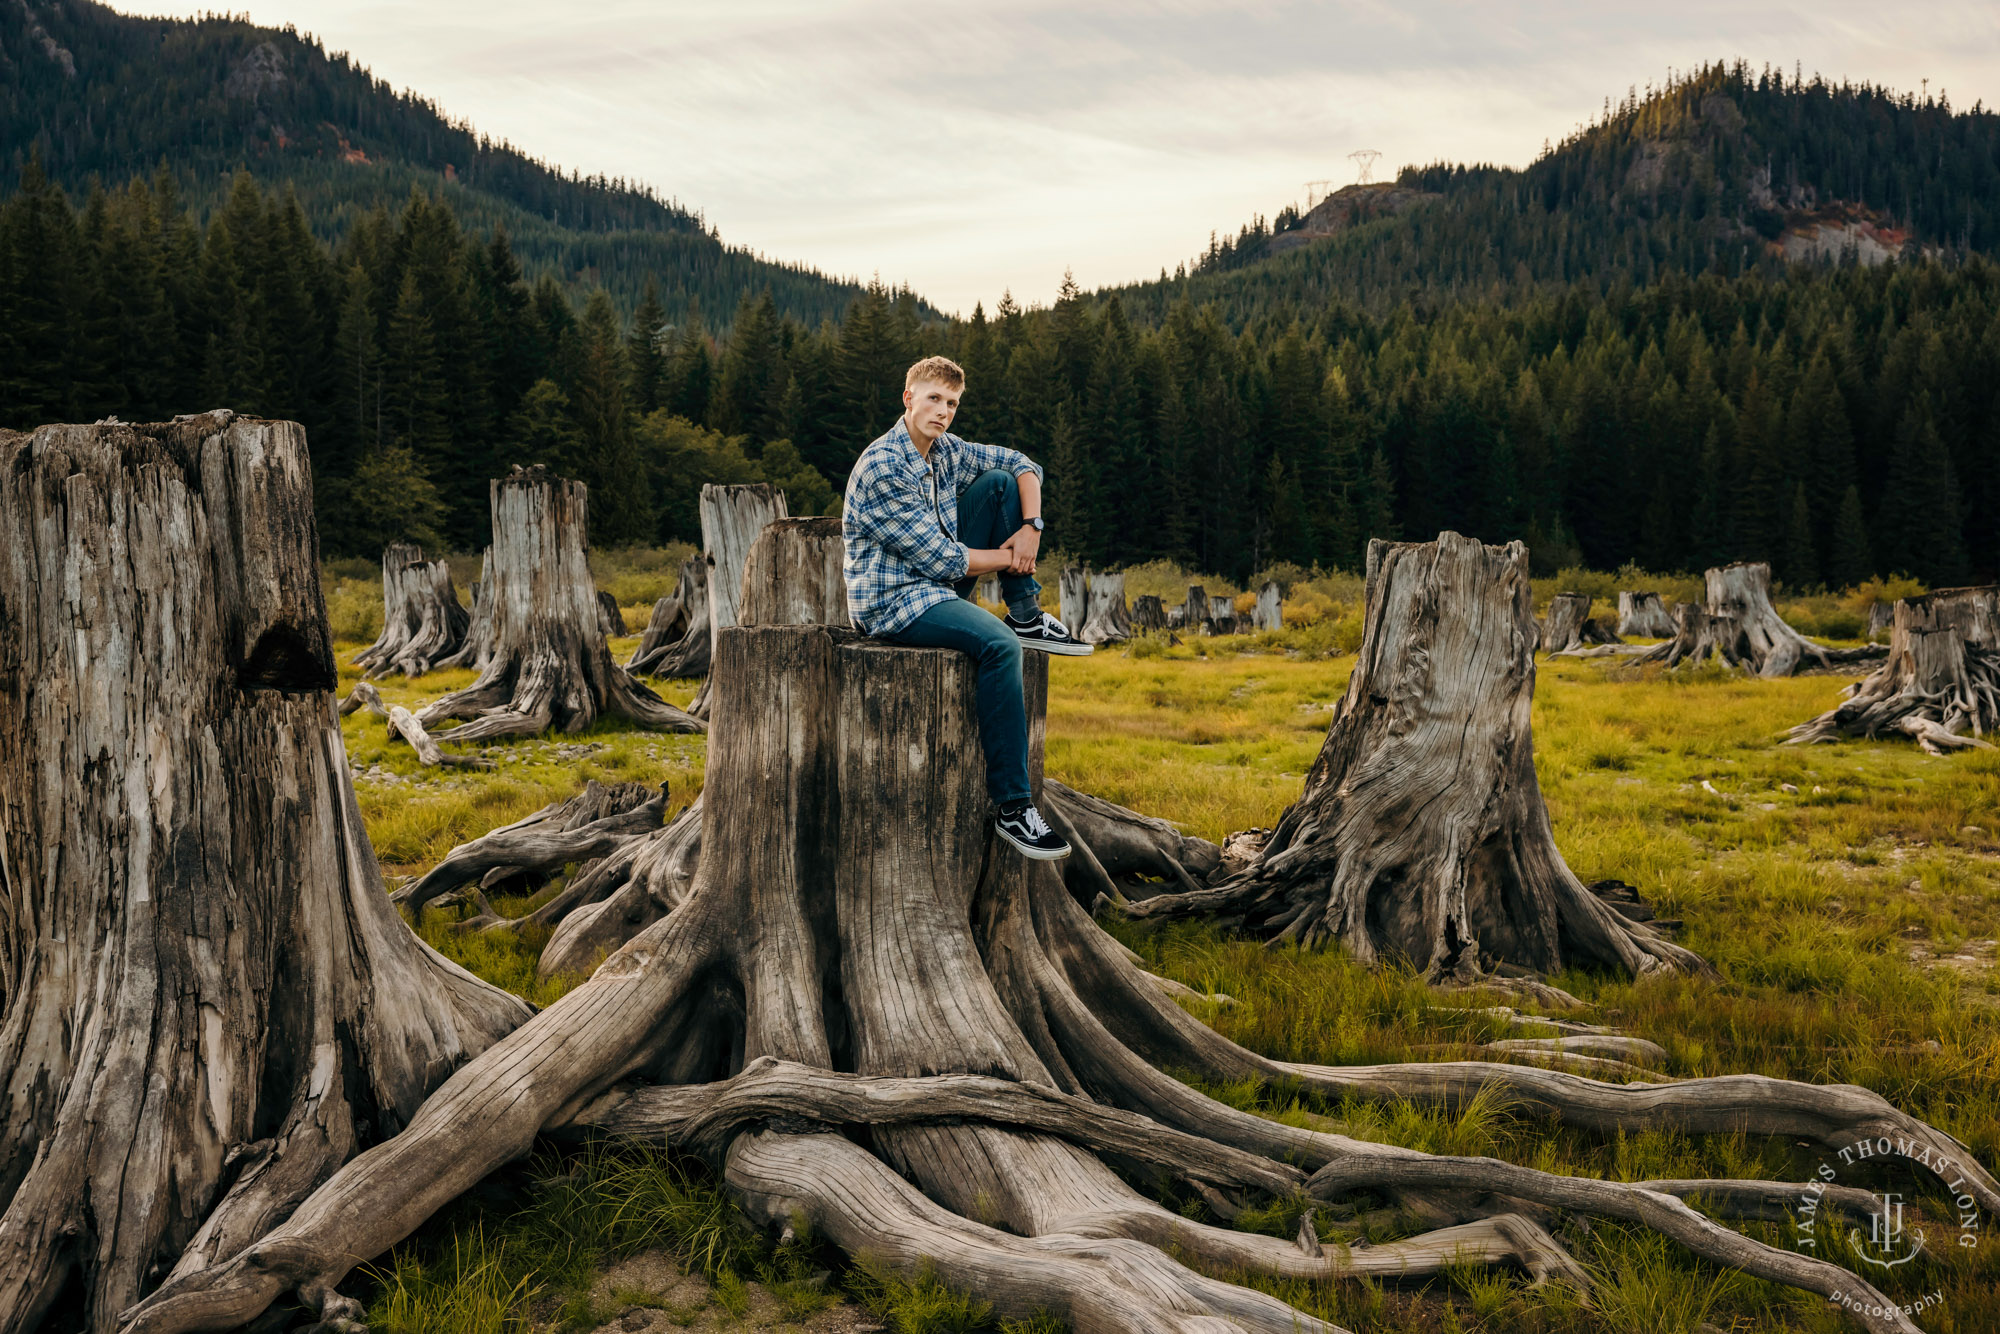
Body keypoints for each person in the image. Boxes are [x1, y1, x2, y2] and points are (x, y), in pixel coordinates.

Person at [841, 355, 1089, 860]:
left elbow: (1025, 465)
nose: (943, 412)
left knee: (999, 483)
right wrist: (1013, 555)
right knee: (999, 647)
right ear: (908, 399)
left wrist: (1032, 529)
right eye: (933, 399)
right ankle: (1014, 808)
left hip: (936, 587)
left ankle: (1026, 614)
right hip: (893, 603)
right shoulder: (883, 466)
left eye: (952, 403)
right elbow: (940, 557)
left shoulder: (945, 449)